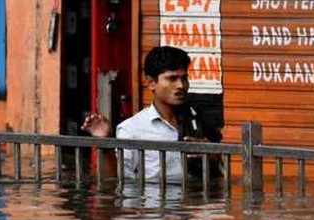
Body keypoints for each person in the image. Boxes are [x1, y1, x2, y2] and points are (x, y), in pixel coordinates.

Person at [82, 46, 222, 182]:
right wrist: (105, 143)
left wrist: (212, 154)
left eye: (184, 78)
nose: (181, 85)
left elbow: (221, 173)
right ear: (151, 83)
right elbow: (116, 181)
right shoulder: (132, 129)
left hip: (196, 202)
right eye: (172, 78)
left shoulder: (198, 119)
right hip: (155, 204)